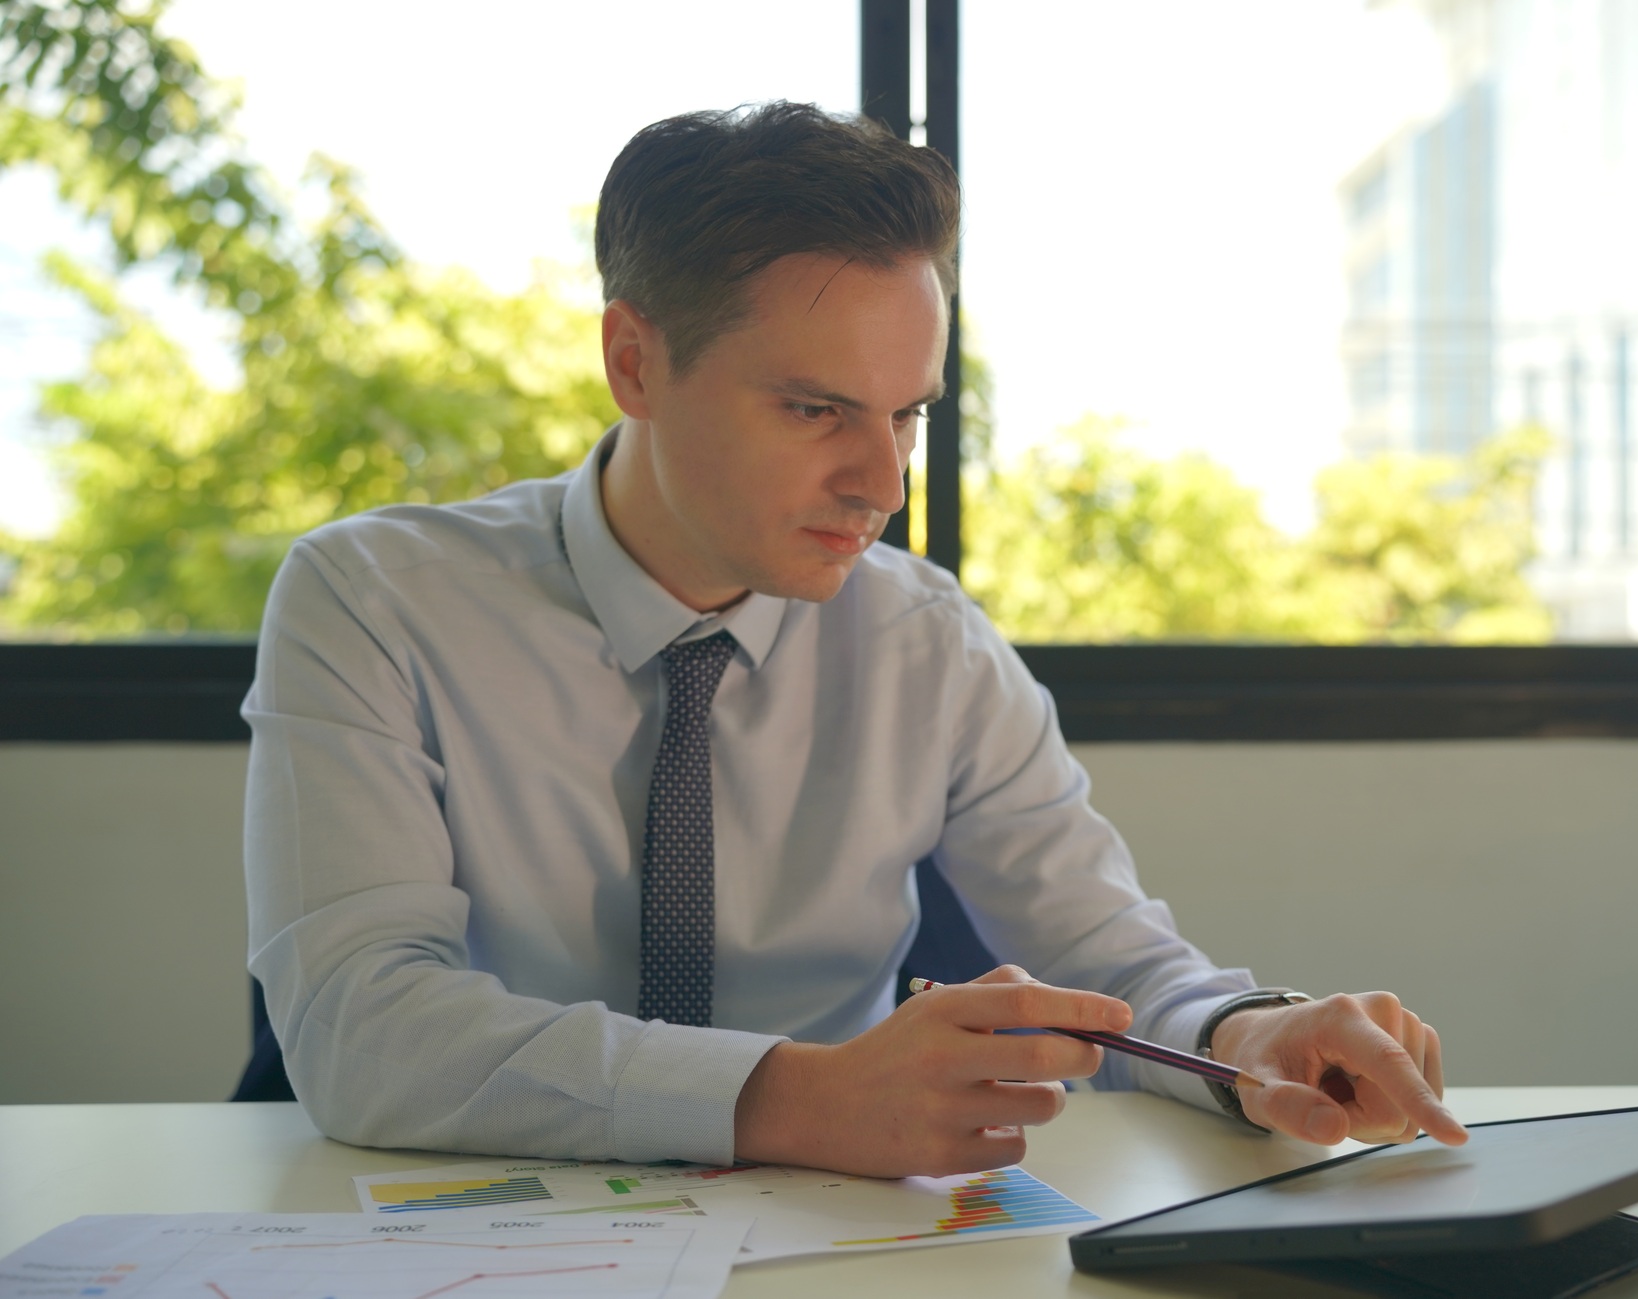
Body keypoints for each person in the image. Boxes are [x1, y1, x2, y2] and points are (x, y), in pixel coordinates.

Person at [242, 102, 1467, 1178]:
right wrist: (791, 1098)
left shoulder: (924, 640)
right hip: (449, 1230)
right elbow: (361, 1028)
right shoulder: (373, 600)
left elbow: (1111, 958)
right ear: (634, 362)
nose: (879, 481)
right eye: (814, 409)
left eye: (907, 416)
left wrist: (1240, 1038)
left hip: (831, 1242)